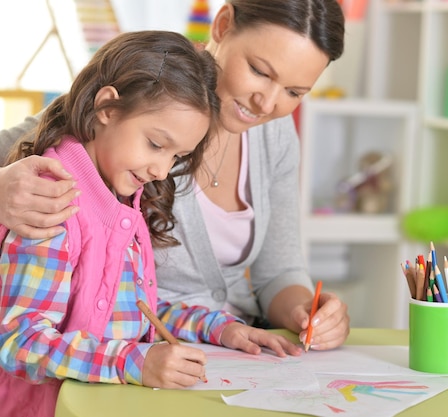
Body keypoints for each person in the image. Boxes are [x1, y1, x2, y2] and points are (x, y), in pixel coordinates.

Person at [0, 0, 350, 351]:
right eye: (260, 71)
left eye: (294, 92)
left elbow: (278, 270)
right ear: (223, 24)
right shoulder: (144, 97)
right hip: (134, 352)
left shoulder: (276, 135)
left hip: (233, 342)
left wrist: (307, 313)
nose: (268, 103)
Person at [0, 30, 301, 417]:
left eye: (177, 155)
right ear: (107, 107)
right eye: (156, 145)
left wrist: (219, 328)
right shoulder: (52, 204)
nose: (161, 169)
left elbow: (133, 310)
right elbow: (18, 342)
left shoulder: (122, 197)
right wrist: (132, 361)